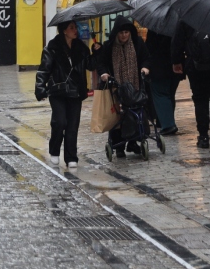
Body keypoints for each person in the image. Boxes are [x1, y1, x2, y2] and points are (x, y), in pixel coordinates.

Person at [35, 21, 92, 169]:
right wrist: (40, 87)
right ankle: (54, 151)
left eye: (75, 27)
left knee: (73, 125)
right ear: (64, 31)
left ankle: (71, 156)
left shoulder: (81, 48)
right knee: (59, 122)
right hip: (58, 91)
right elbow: (44, 70)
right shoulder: (52, 48)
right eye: (72, 28)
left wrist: (97, 51)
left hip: (76, 91)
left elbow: (91, 65)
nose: (75, 30)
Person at [95, 16, 150, 159]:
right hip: (116, 86)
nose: (124, 35)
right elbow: (101, 63)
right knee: (118, 115)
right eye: (121, 33)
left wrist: (145, 68)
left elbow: (146, 58)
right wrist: (104, 73)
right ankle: (118, 145)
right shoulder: (108, 46)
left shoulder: (138, 43)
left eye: (126, 32)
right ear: (116, 33)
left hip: (135, 84)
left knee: (134, 112)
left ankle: (133, 141)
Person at [172, 22, 210, 149]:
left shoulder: (187, 15)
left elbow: (177, 41)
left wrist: (176, 61)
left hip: (195, 65)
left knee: (200, 100)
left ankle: (203, 136)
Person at [146, 28, 180, 135]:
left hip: (159, 67)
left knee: (160, 94)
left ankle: (168, 125)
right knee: (169, 94)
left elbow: (149, 47)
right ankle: (163, 121)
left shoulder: (155, 28)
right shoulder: (176, 26)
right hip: (175, 67)